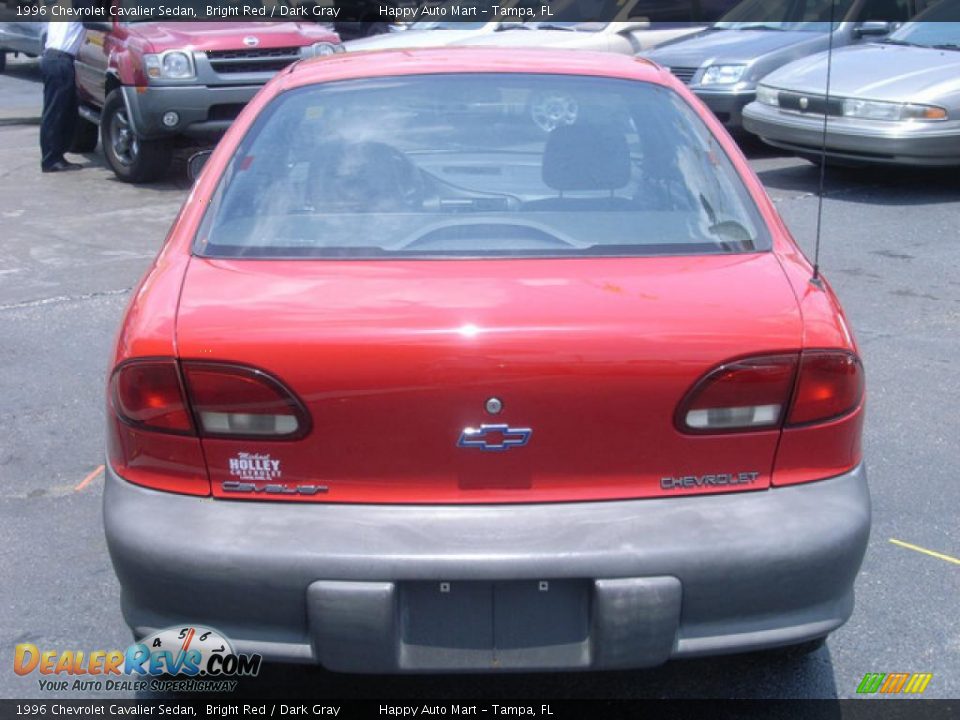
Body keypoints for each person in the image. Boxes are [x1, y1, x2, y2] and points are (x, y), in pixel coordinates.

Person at [40, 20, 85, 173]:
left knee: (60, 111)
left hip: (52, 58)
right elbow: (94, 19)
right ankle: (51, 160)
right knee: (56, 113)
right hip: (60, 60)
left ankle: (54, 156)